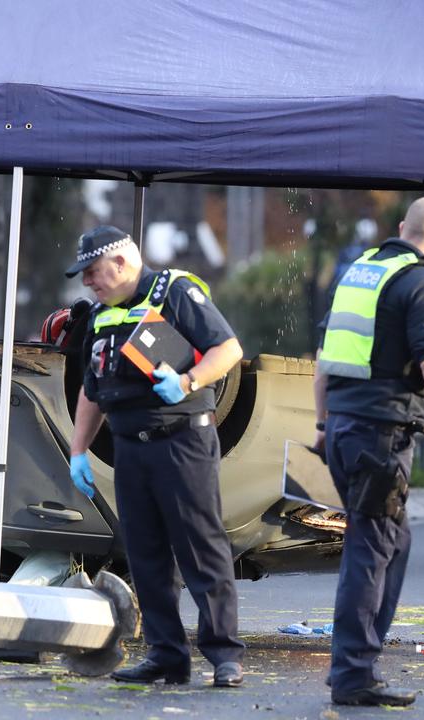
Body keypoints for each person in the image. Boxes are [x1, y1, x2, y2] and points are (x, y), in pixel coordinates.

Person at [65, 225, 245, 688]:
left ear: (121, 263)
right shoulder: (103, 315)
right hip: (130, 449)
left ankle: (224, 656)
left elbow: (228, 349)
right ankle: (167, 657)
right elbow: (92, 389)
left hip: (182, 441)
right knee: (146, 558)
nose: (87, 282)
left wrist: (187, 383)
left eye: (92, 272)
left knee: (200, 550)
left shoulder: (174, 291)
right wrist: (78, 451)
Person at [312, 198, 424, 708]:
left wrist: (322, 426)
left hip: (342, 427)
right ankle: (353, 674)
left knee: (394, 541)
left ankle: (353, 660)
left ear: (402, 226)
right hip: (380, 434)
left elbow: (322, 362)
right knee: (372, 548)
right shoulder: (423, 281)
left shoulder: (363, 272)